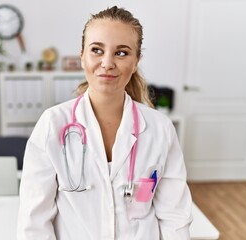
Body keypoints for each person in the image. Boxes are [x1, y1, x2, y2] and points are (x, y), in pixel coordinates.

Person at [17, 6, 192, 240]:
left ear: (136, 60)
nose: (107, 63)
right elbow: (34, 223)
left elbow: (175, 217)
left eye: (121, 53)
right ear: (82, 56)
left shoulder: (160, 129)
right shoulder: (53, 124)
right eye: (97, 50)